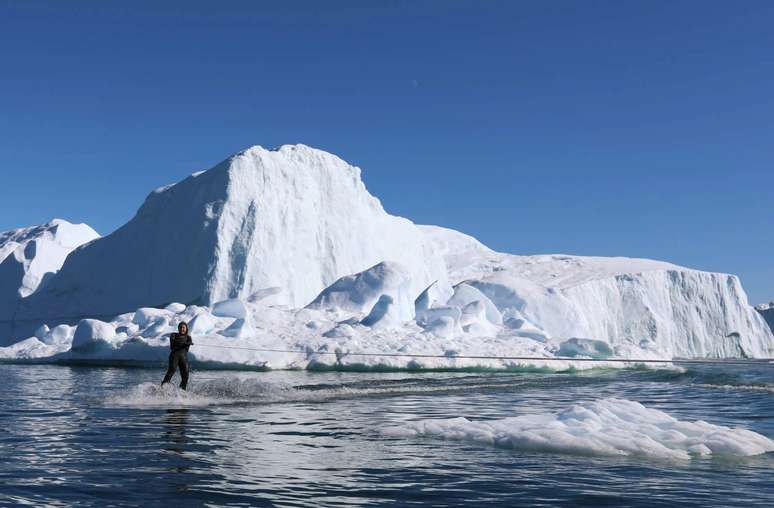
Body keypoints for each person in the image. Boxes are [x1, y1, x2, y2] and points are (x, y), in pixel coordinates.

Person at [161, 322, 194, 390]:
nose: (182, 329)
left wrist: (188, 343)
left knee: (186, 374)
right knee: (172, 370)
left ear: (186, 328)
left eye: (183, 327)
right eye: (180, 327)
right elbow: (172, 345)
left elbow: (187, 348)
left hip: (183, 357)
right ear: (178, 328)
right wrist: (182, 343)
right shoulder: (173, 335)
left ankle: (182, 391)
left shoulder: (188, 337)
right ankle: (162, 388)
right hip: (174, 356)